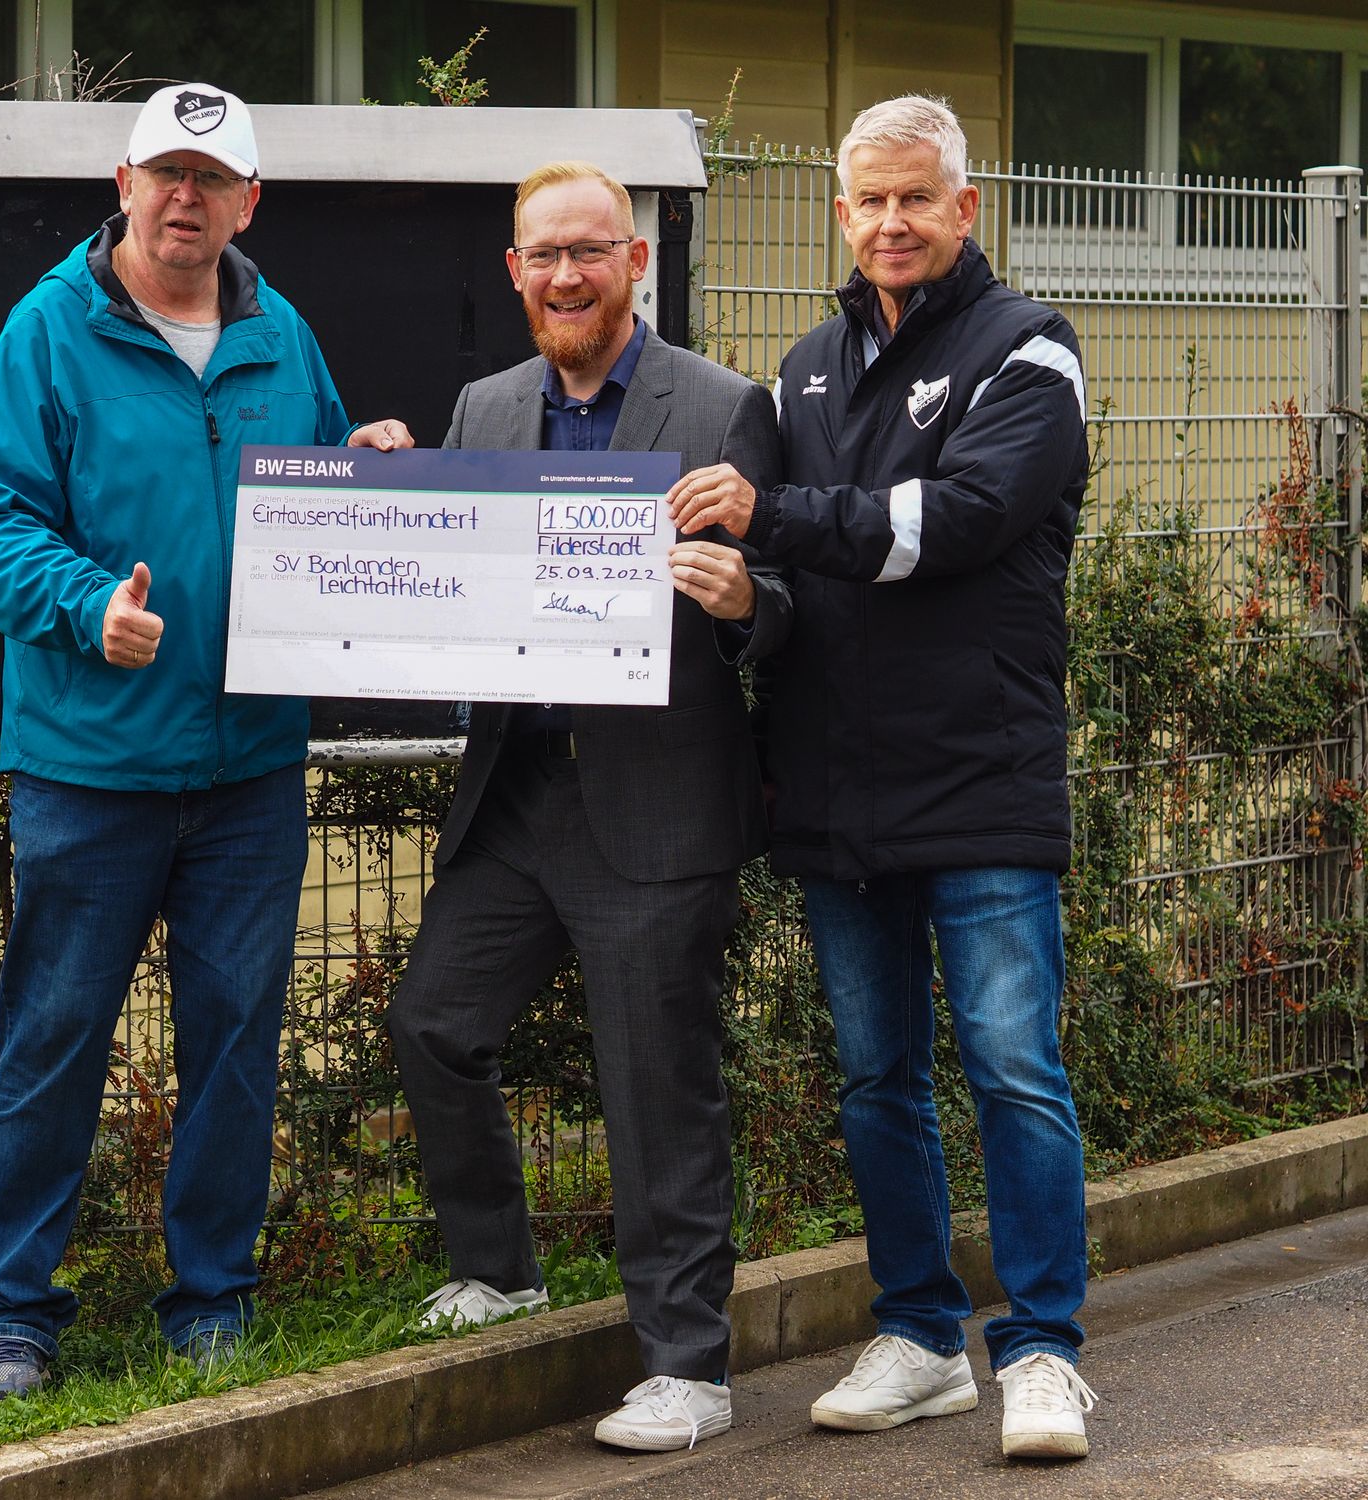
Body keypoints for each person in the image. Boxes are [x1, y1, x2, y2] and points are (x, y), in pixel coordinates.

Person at [0, 82, 412, 1400]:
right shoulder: (49, 331)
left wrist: (369, 465)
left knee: (234, 1047)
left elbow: (317, 493)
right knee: (53, 1043)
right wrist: (85, 606)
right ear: (125, 183)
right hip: (91, 771)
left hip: (251, 771)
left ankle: (211, 1301)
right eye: (166, 173)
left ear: (247, 202)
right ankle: (15, 1319)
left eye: (211, 179)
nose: (185, 198)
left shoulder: (280, 334)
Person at [666, 95, 1098, 1459]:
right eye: (872, 200)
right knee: (876, 1079)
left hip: (981, 783)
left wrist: (772, 518)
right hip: (834, 788)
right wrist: (738, 581)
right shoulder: (803, 368)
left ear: (966, 208)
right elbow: (774, 569)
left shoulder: (1030, 348)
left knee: (1013, 1068)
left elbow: (950, 523)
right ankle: (920, 1335)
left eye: (920, 198)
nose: (894, 222)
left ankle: (1043, 1352)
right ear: (840, 212)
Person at [386, 160, 789, 1453]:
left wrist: (744, 601)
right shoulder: (486, 405)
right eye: (545, 256)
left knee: (657, 1085)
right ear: (516, 273)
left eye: (591, 252)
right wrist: (390, 491)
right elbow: (456, 573)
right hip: (519, 793)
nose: (568, 276)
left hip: (657, 804)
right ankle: (499, 1269)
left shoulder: (723, 407)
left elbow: (794, 605)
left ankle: (688, 1366)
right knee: (435, 1022)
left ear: (635, 263)